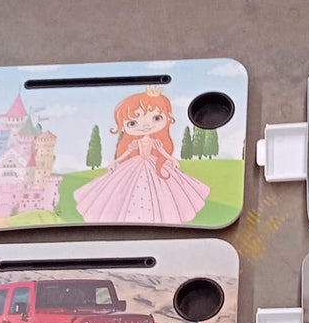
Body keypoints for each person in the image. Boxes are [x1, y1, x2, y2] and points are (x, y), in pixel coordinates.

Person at [73, 86, 210, 224]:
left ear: (167, 117)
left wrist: (171, 158)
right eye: (132, 123)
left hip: (153, 165)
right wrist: (116, 161)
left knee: (160, 191)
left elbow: (162, 151)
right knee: (126, 191)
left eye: (156, 118)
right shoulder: (135, 142)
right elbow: (127, 152)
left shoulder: (156, 141)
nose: (145, 126)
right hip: (135, 165)